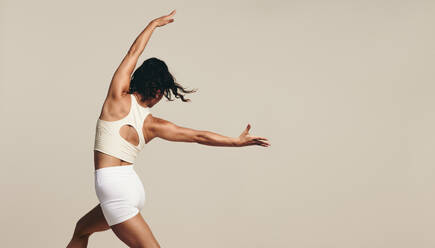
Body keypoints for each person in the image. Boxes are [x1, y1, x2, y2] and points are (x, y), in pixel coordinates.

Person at [66, 9, 270, 248]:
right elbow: (198, 136)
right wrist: (235, 141)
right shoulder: (153, 124)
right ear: (160, 91)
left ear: (138, 80)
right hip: (127, 188)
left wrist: (152, 25)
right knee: (81, 229)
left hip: (114, 191)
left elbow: (133, 53)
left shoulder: (116, 99)